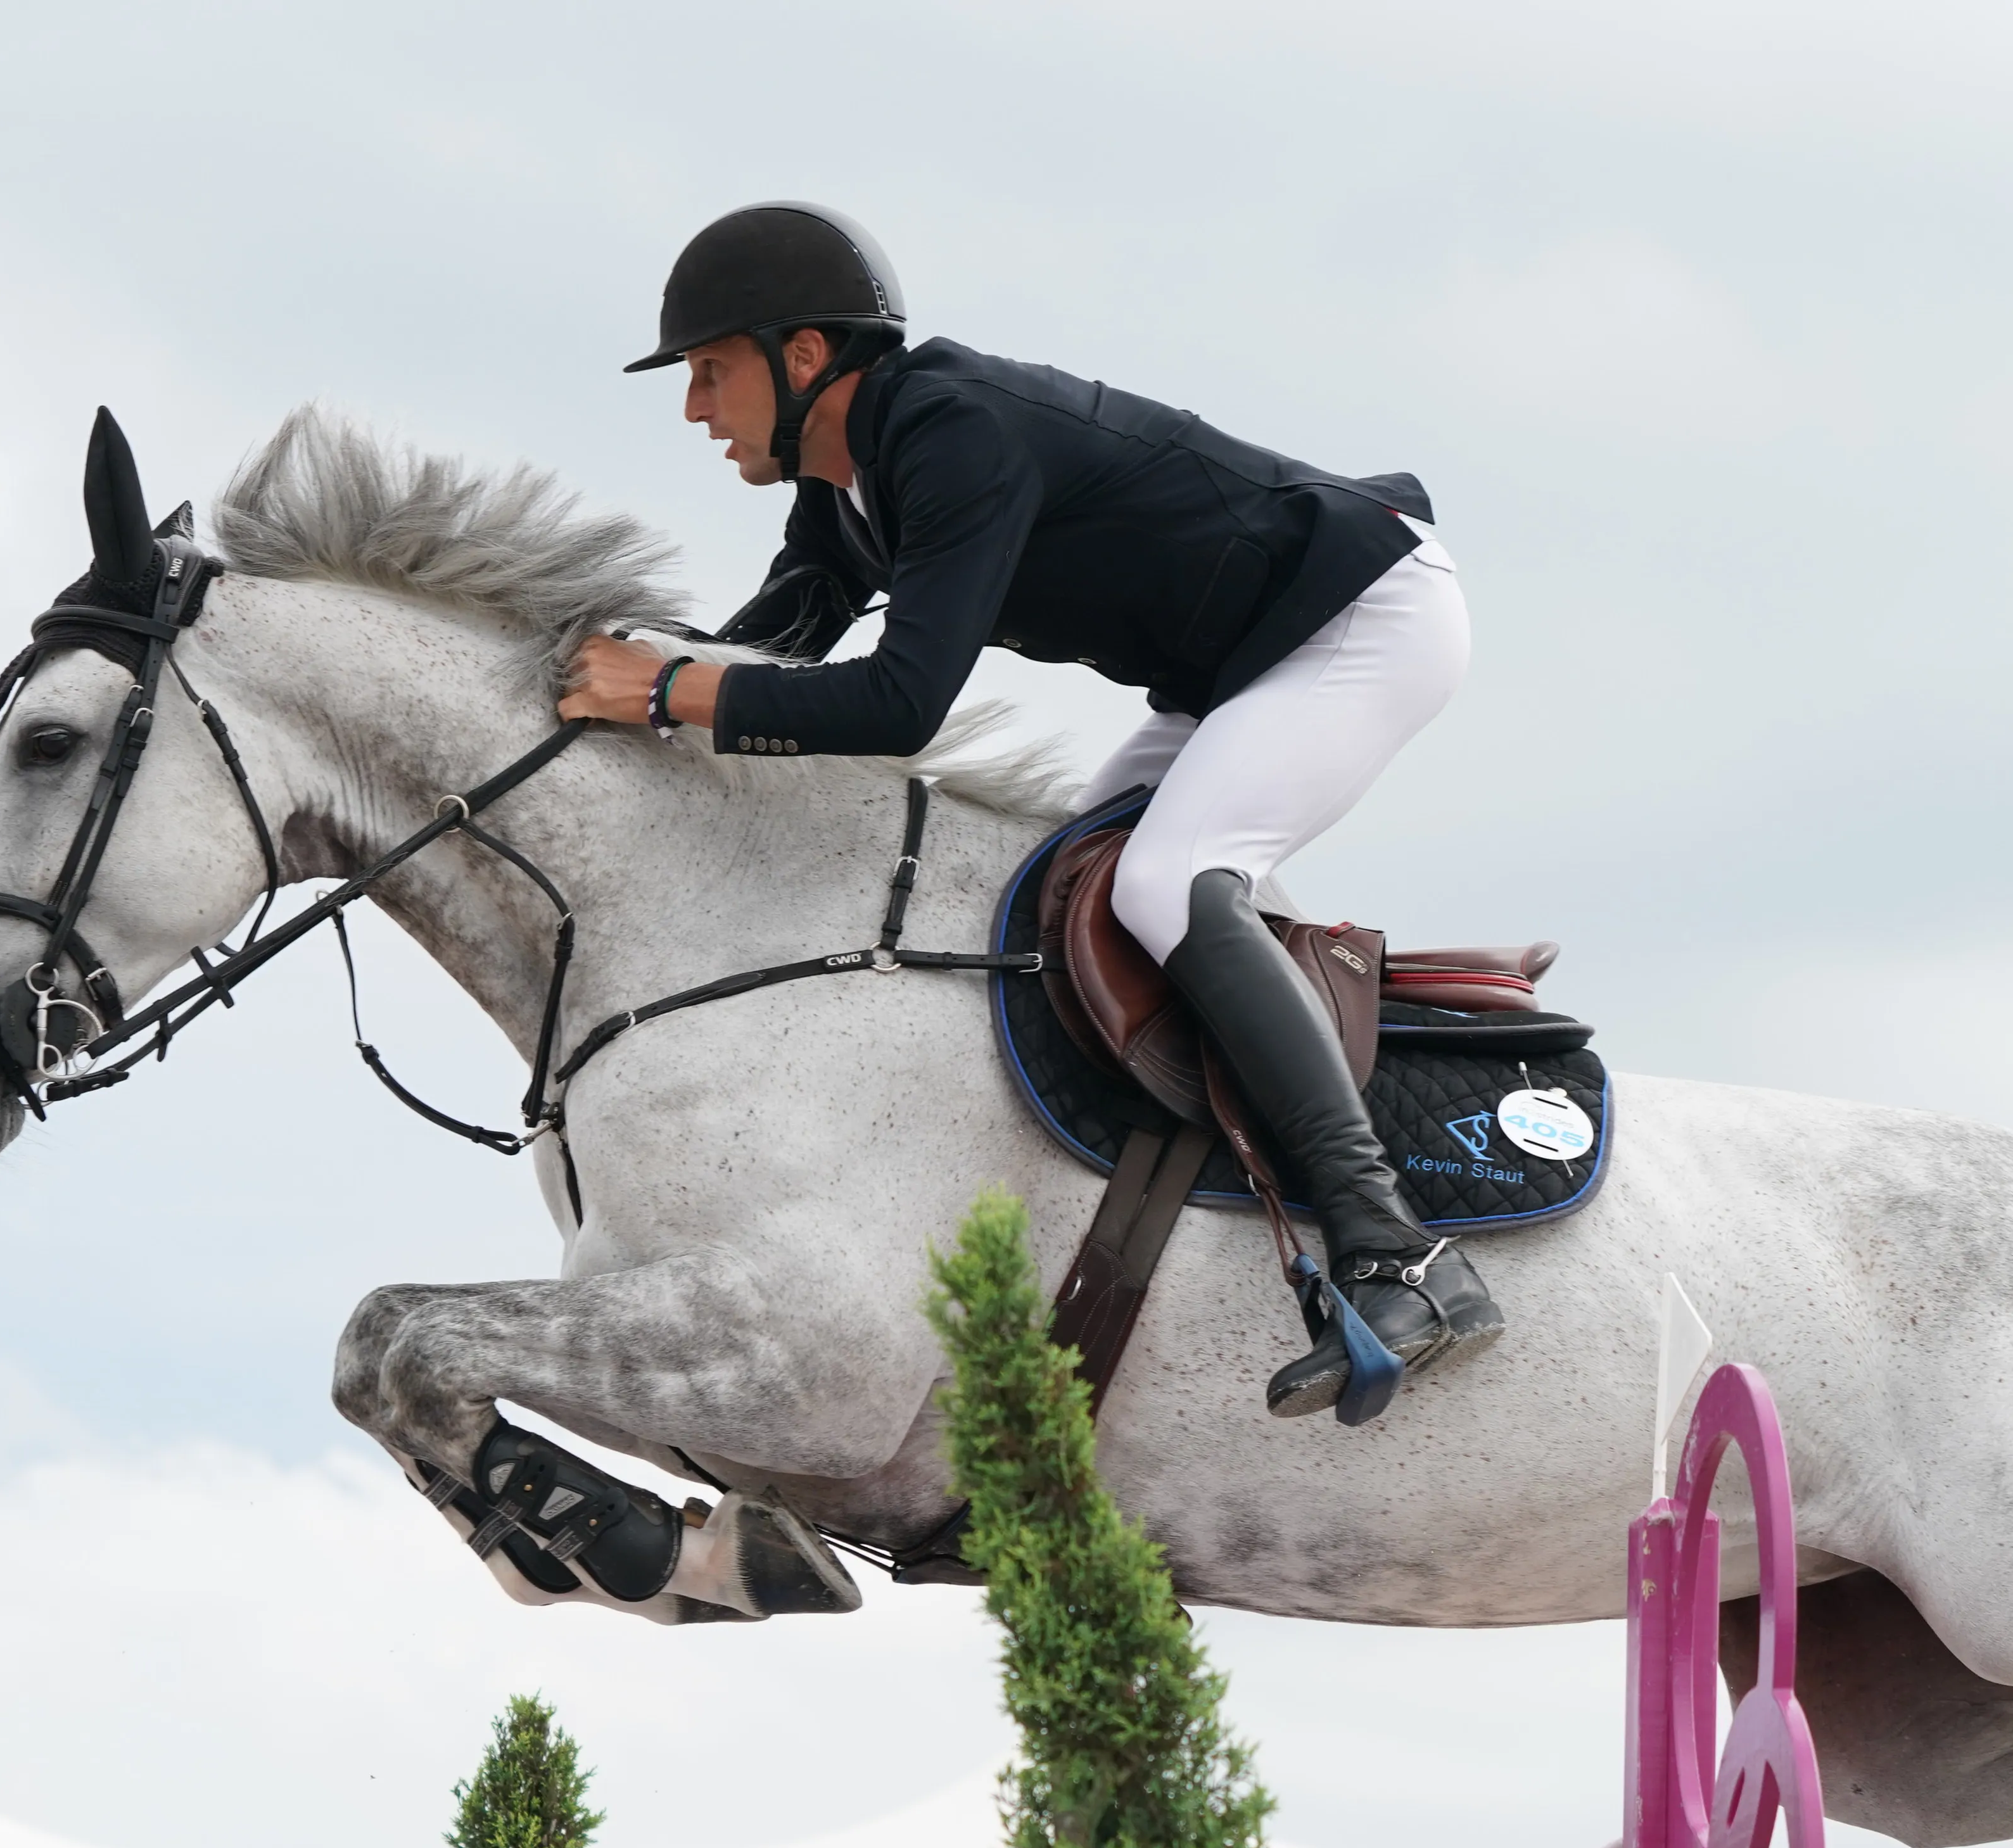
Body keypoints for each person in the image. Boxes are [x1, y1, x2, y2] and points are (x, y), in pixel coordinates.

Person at [558, 202, 1494, 1425]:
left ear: (802, 358)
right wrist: (622, 676)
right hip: (1245, 667)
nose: (694, 409)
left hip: (1361, 616)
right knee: (1044, 887)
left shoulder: (949, 431)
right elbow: (767, 652)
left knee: (1167, 883)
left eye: (709, 370)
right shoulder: (846, 493)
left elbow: (896, 704)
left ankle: (1397, 1250)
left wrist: (672, 691)